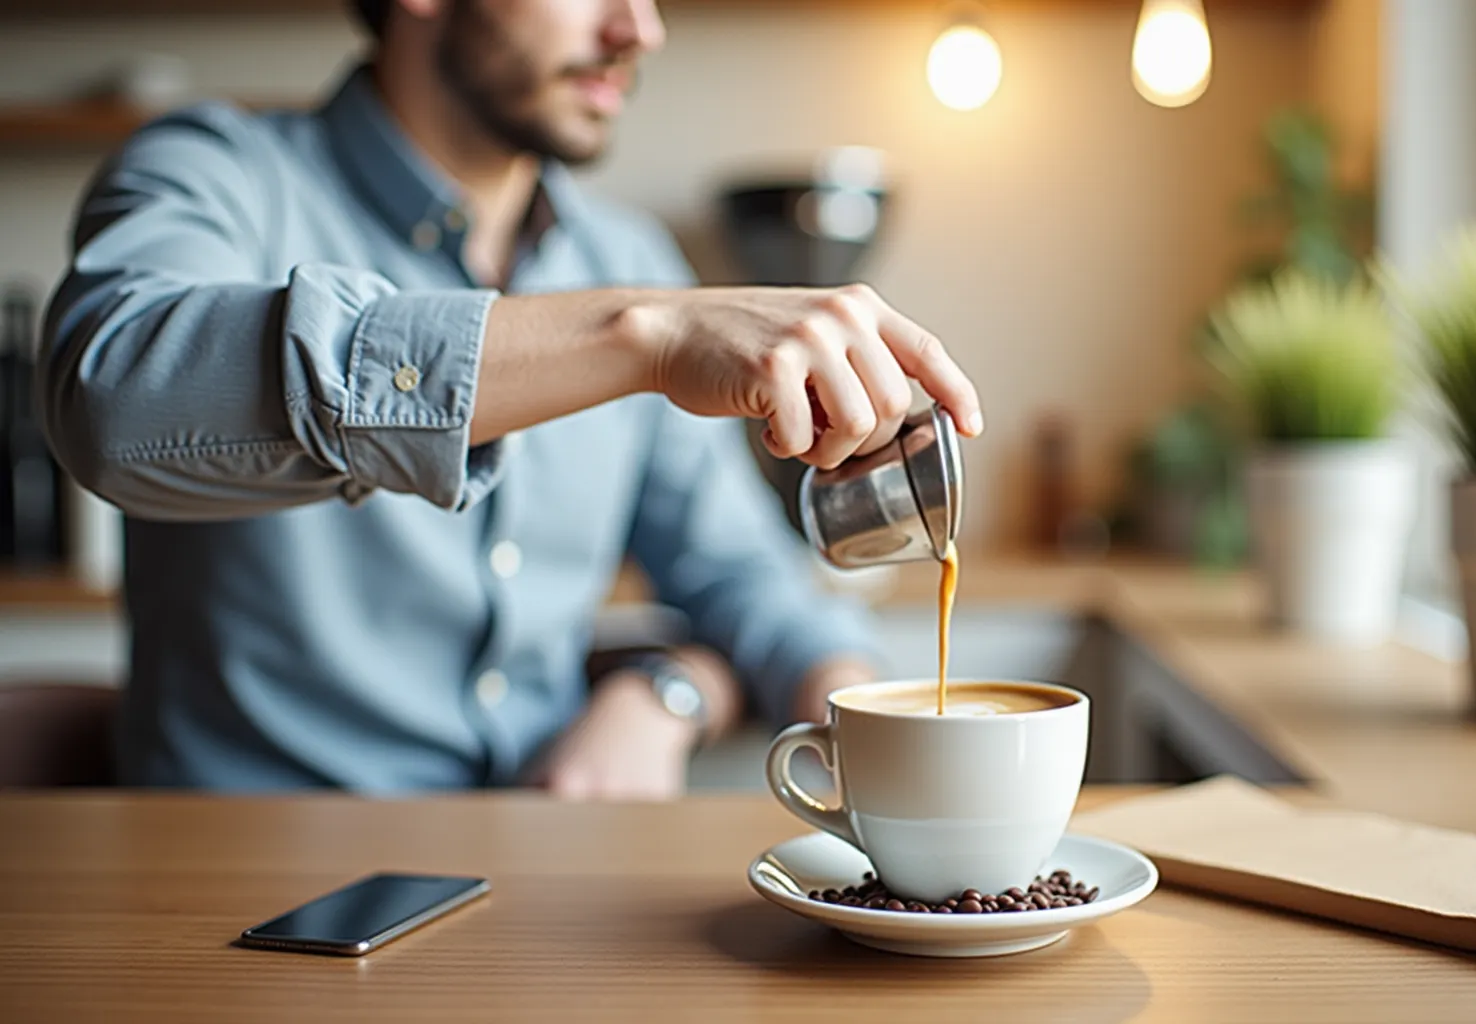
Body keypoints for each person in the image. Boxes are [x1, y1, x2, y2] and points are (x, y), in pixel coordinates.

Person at [35, 0, 982, 797]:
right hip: (240, 897)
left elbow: (741, 577)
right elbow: (114, 401)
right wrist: (639, 337)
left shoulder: (628, 260)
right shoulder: (213, 172)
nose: (638, 28)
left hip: (543, 890)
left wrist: (701, 694)